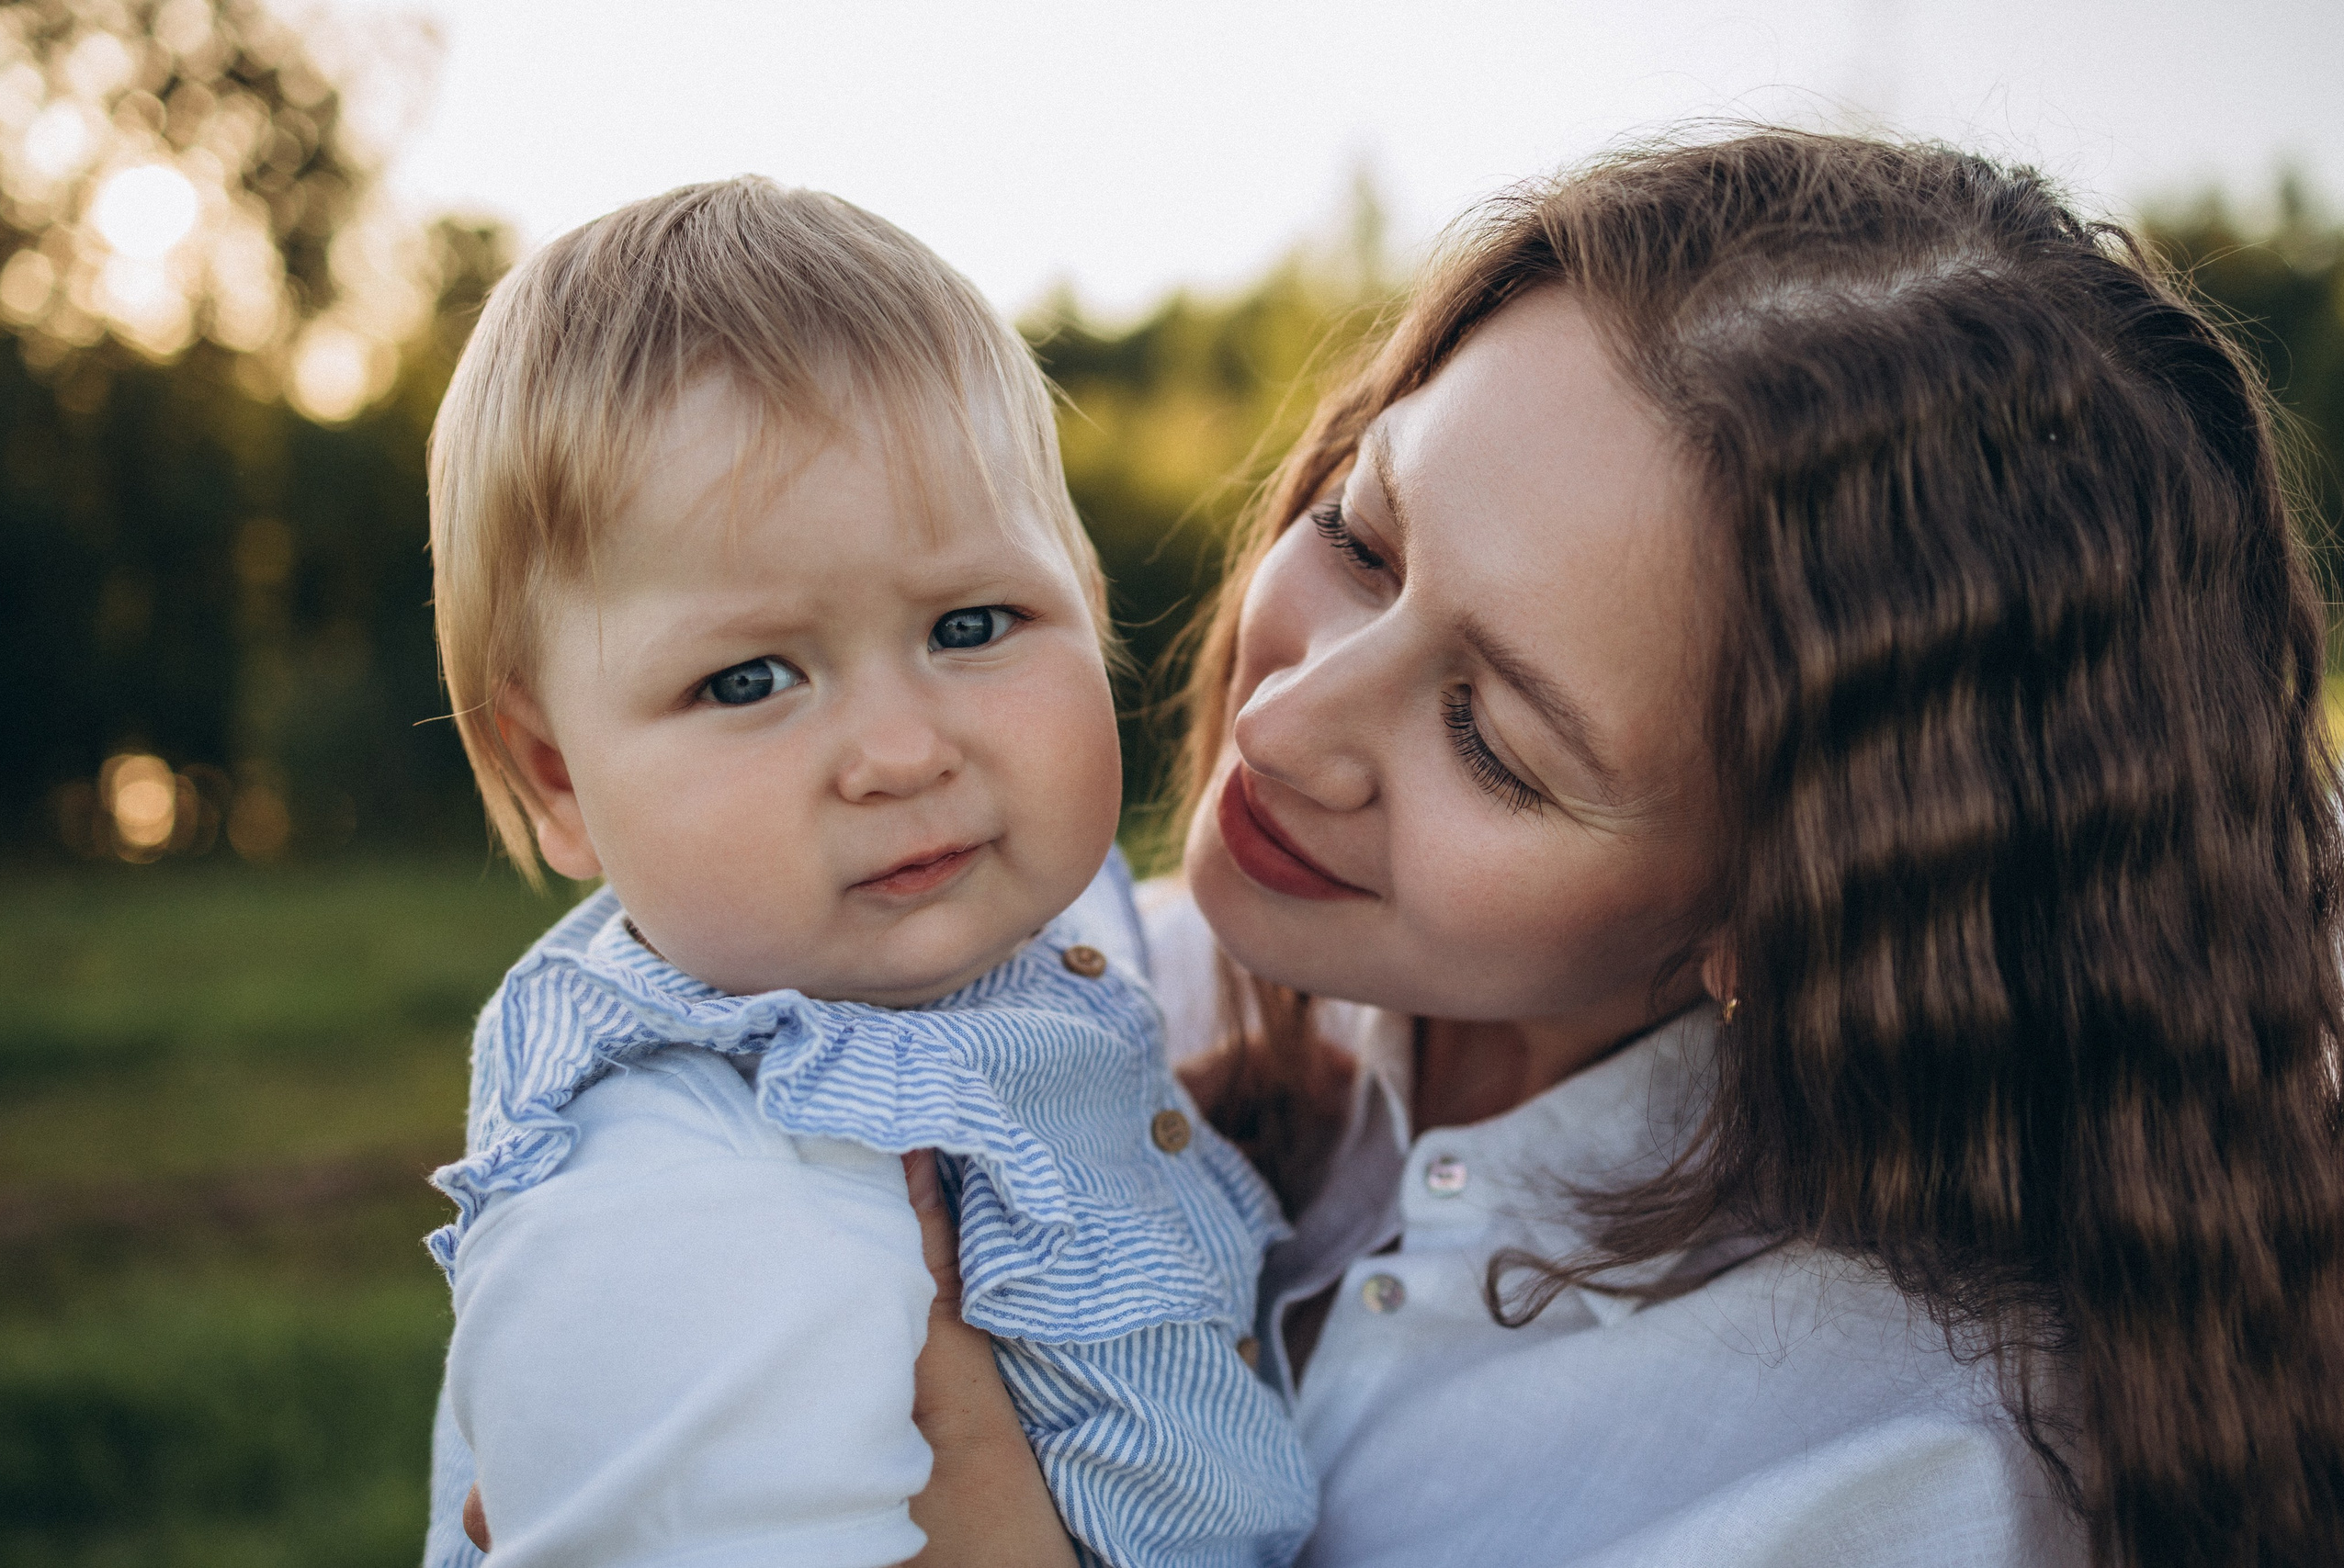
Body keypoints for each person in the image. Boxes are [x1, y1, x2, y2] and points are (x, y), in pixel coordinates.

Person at [901, 130, 2344, 1566]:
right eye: (1360, 539)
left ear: (1779, 913)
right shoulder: (1090, 982)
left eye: (1492, 742)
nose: (1281, 723)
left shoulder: (1893, 1483)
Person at [417, 177, 1312, 1568]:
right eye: (751, 677)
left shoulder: (1047, 941)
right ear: (555, 779)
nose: (900, 752)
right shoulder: (676, 1193)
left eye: (972, 622)